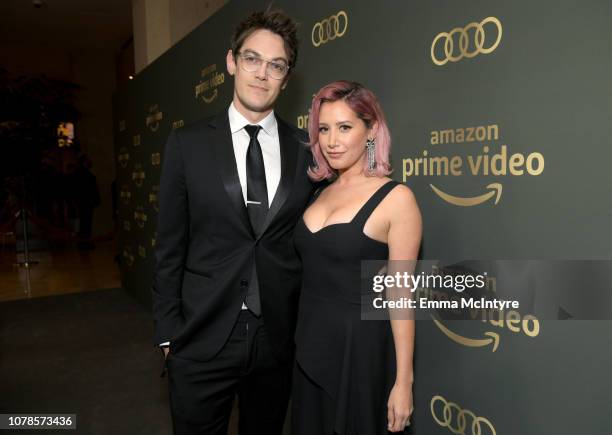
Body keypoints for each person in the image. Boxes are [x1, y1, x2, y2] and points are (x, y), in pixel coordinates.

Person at [151, 9, 315, 435]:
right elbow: (169, 247)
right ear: (231, 62)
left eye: (276, 65)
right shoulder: (187, 144)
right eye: (252, 59)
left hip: (275, 341)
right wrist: (169, 335)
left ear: (287, 76)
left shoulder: (306, 150)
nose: (262, 74)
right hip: (201, 337)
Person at [292, 81, 422, 434]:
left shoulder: (396, 198)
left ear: (371, 130)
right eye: (323, 129)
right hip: (308, 350)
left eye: (345, 127)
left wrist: (403, 381)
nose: (331, 140)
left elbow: (400, 296)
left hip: (360, 357)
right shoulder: (317, 193)